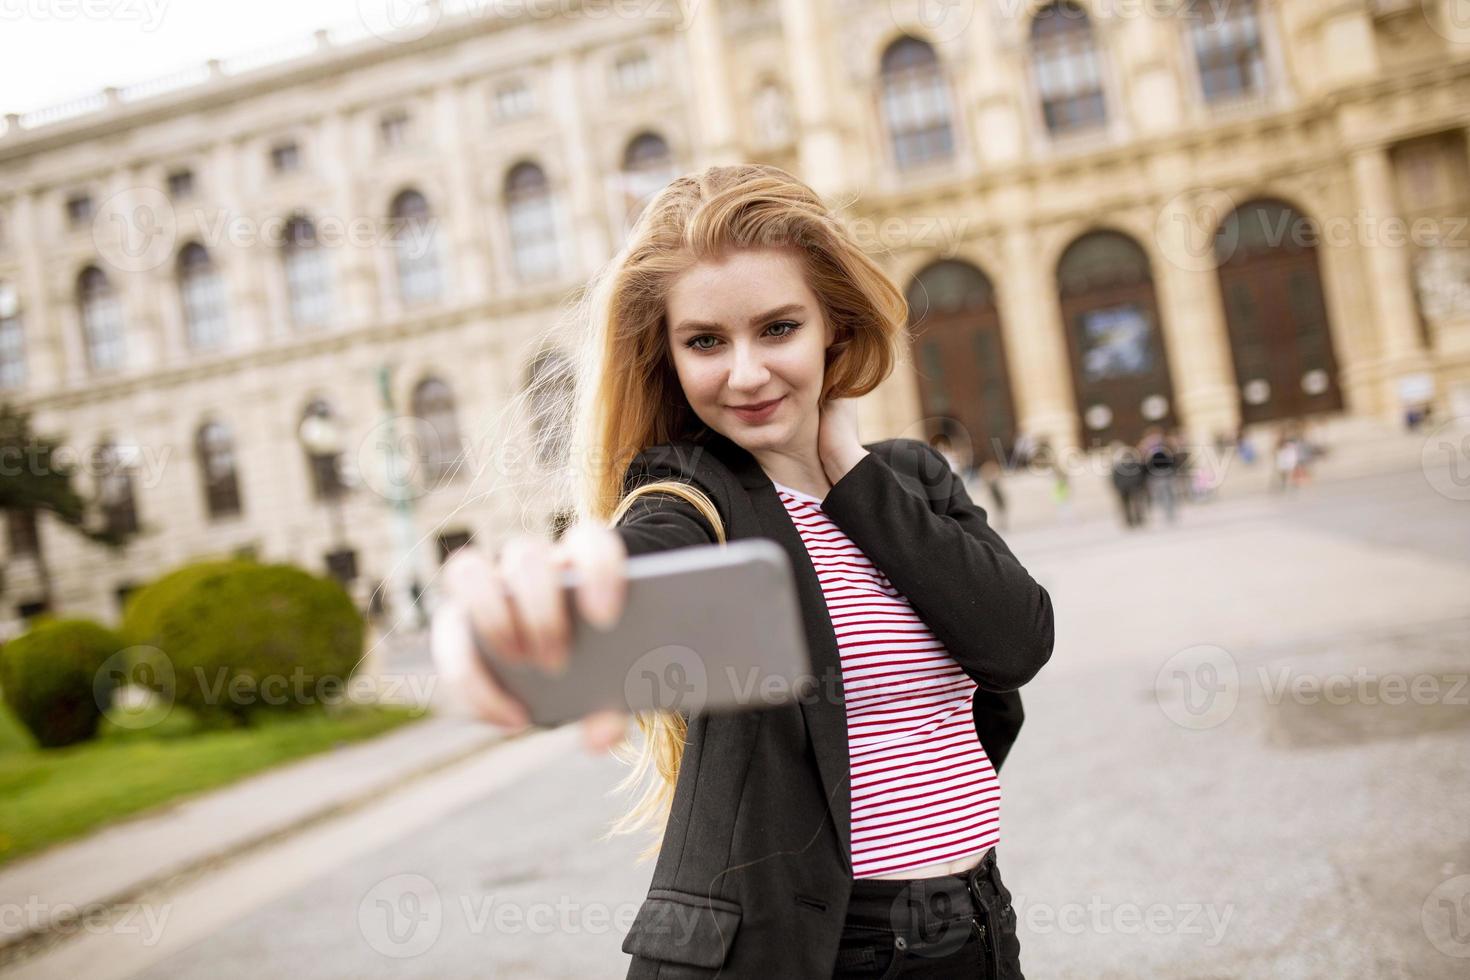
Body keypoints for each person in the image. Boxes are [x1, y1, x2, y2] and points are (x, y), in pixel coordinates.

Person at [432, 165, 1052, 978]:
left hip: (975, 927)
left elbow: (1016, 641)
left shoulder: (909, 479)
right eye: (706, 342)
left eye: (778, 329)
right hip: (825, 951)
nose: (747, 373)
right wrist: (517, 614)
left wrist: (849, 474)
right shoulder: (691, 497)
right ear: (670, 356)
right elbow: (638, 559)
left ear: (833, 324)